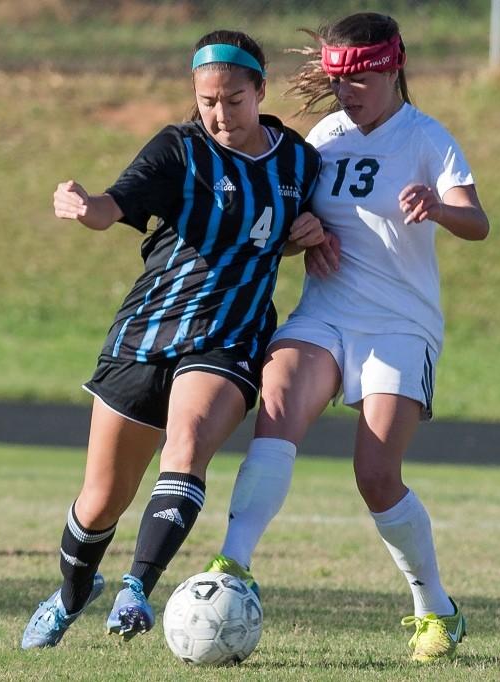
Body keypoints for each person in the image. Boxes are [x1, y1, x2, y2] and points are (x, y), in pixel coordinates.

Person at [20, 29, 323, 649]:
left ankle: (137, 587)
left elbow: (276, 230)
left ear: (260, 90)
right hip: (147, 332)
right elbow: (116, 204)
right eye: (207, 100)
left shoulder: (298, 159)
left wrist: (302, 236)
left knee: (185, 442)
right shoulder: (179, 150)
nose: (219, 113)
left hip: (230, 336)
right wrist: (85, 206)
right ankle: (72, 594)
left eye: (233, 100)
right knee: (101, 501)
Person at [205, 13, 489, 664]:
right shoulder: (326, 135)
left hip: (399, 323)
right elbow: (286, 211)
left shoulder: (426, 139)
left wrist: (439, 208)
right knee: (275, 411)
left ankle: (435, 609)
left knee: (376, 475)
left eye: (359, 77)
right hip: (326, 311)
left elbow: (477, 221)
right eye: (338, 78)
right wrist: (303, 230)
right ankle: (233, 564)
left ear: (393, 66)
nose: (347, 92)